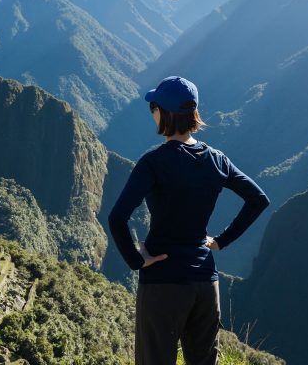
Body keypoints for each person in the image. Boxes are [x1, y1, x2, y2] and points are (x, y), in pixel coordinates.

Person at [108, 76, 270, 365]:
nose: (152, 113)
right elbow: (258, 199)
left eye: (153, 107)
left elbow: (118, 217)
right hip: (205, 284)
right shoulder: (217, 160)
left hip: (162, 284)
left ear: (162, 112)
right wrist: (221, 241)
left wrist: (137, 260)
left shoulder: (153, 163)